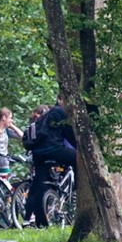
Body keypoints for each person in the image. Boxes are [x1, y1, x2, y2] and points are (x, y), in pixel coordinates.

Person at [23, 97, 77, 229]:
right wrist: (80, 146)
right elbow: (69, 133)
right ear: (60, 99)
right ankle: (78, 189)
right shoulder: (59, 112)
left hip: (38, 154)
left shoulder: (46, 114)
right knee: (79, 159)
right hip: (53, 150)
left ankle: (40, 223)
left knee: (39, 185)